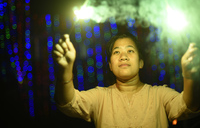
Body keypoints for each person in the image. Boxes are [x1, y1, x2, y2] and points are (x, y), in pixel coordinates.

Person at [53, 32, 200, 128]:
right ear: (110, 65)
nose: (123, 56)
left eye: (130, 51)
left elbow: (187, 106)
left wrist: (189, 76)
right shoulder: (100, 97)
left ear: (141, 62)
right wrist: (64, 70)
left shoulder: (160, 95)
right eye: (117, 52)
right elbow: (69, 102)